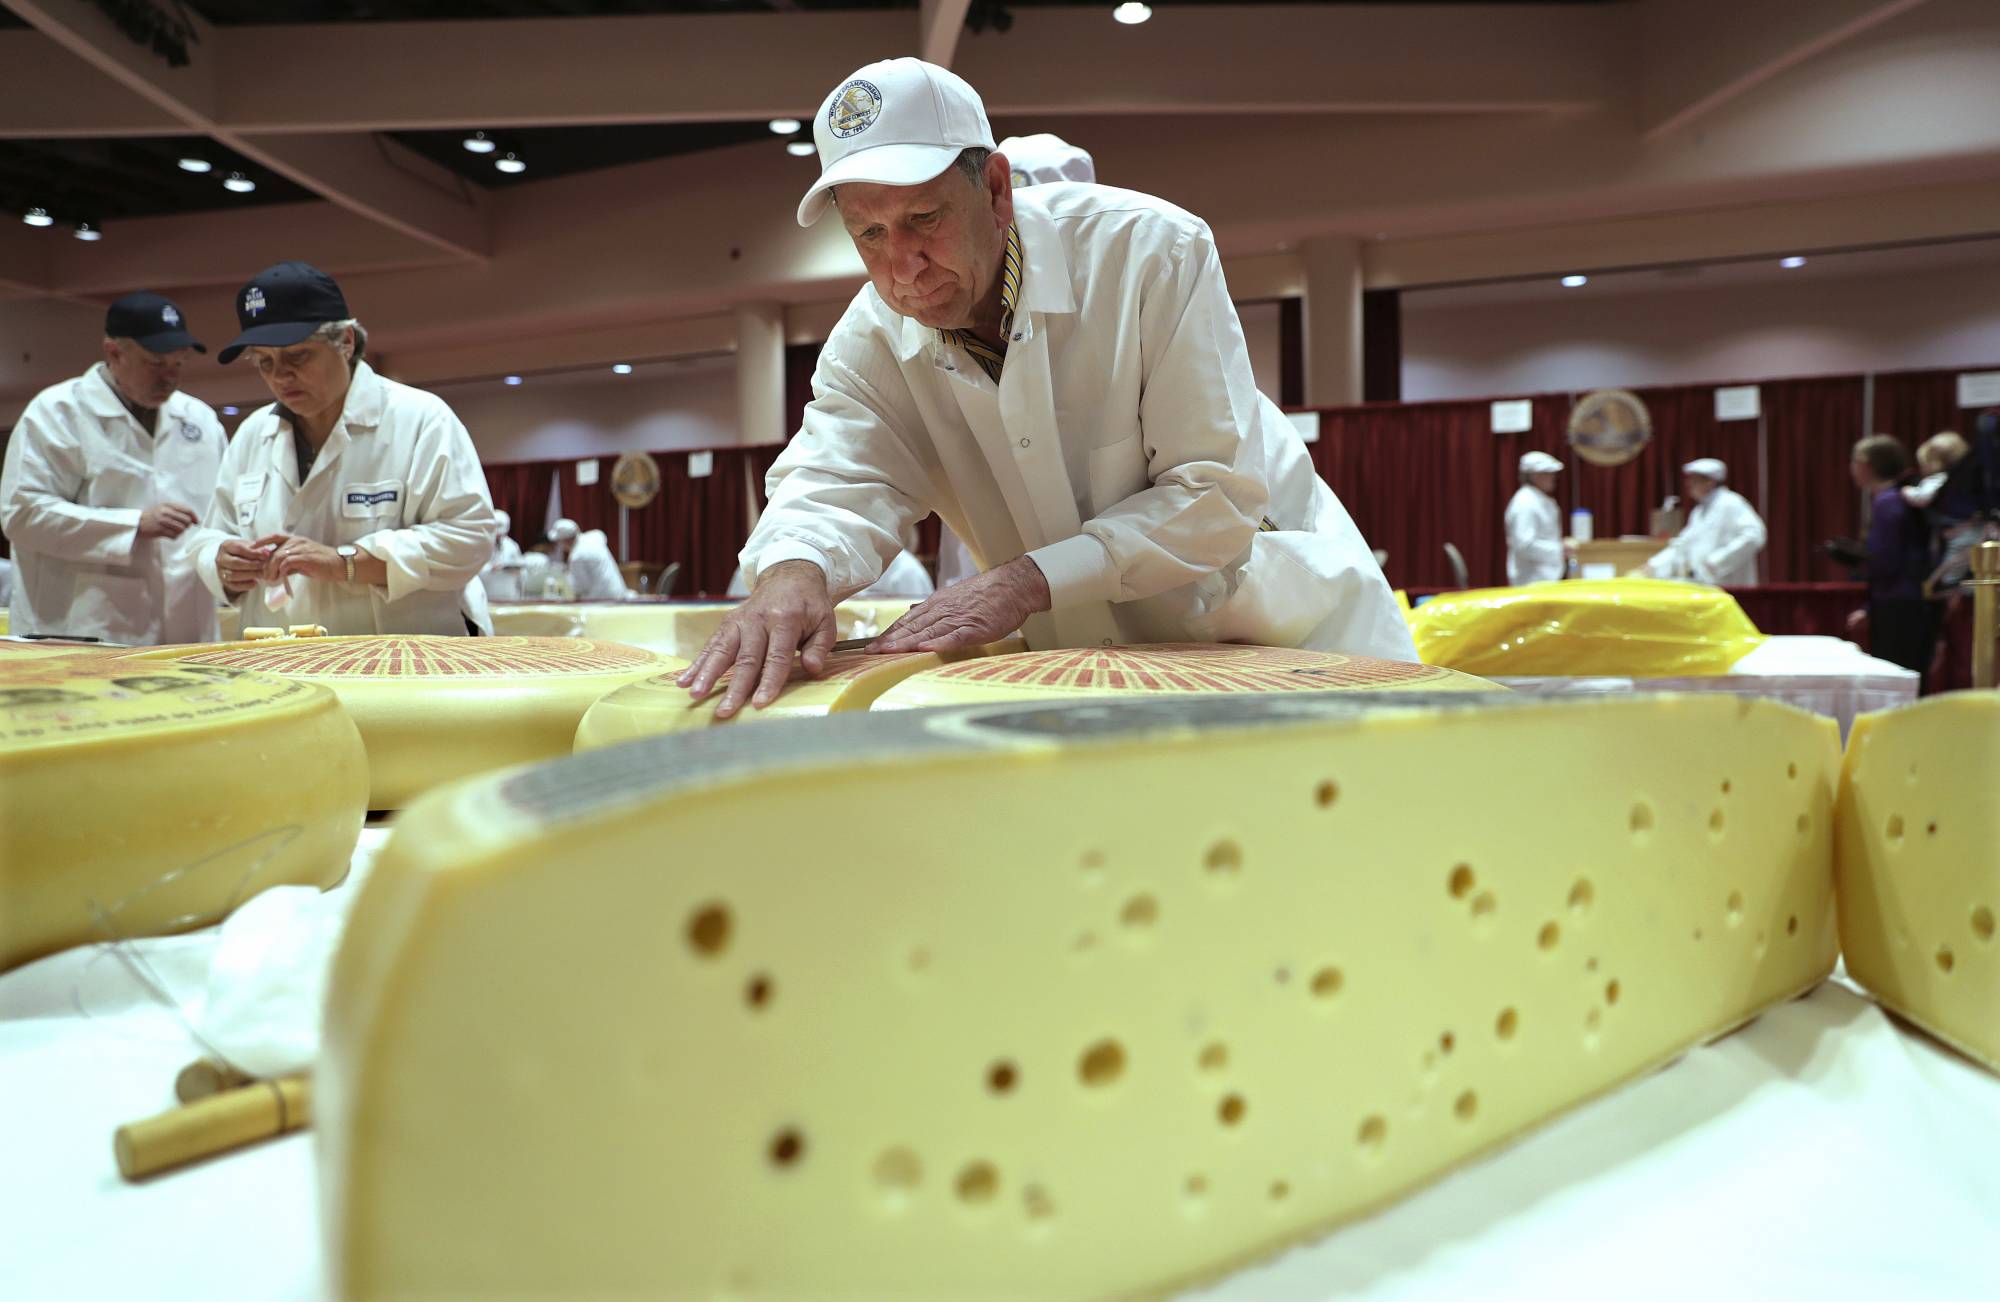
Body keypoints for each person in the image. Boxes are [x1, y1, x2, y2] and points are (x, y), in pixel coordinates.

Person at [684, 58, 1409, 717]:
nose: (902, 266)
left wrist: (1025, 582)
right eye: (868, 234)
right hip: (1089, 671)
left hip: (1287, 639)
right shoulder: (870, 338)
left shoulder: (1149, 254)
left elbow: (1215, 496)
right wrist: (792, 571)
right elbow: (834, 477)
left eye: (923, 220)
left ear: (995, 189)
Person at [180, 261, 497, 636]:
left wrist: (344, 562)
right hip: (281, 664)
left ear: (346, 341)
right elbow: (211, 536)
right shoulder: (252, 434)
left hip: (399, 662)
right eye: (265, 362)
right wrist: (223, 560)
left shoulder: (421, 418)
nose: (280, 376)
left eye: (297, 356)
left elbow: (469, 538)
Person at [1, 292, 225, 644]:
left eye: (178, 363)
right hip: (81, 625)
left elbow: (224, 512)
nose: (169, 377)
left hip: (188, 627)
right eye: (155, 363)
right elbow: (22, 514)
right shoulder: (57, 413)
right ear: (114, 352)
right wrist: (133, 524)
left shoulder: (200, 420)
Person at [1851, 434, 1937, 684]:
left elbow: (1885, 561)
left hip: (1897, 603)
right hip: (1910, 599)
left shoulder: (1888, 502)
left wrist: (1859, 563)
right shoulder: (1902, 496)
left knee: (1897, 677)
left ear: (1866, 465)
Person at [1640, 458, 1766, 586]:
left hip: (1729, 582)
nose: (1688, 484)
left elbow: (1753, 536)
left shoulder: (1731, 503)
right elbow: (1684, 544)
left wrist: (1717, 561)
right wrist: (1654, 565)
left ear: (1709, 482)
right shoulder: (1699, 511)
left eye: (1695, 480)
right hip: (1704, 583)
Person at [1504, 451, 1569, 586]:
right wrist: (1559, 550)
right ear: (1533, 476)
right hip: (1532, 581)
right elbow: (1524, 545)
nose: (1552, 477)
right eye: (1546, 473)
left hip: (1544, 579)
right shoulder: (1525, 503)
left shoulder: (1539, 500)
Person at [547, 518, 631, 601]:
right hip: (619, 594)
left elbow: (581, 588)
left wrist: (567, 575)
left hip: (603, 602)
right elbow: (601, 535)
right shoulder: (595, 537)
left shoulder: (577, 557)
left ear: (566, 540)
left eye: (560, 541)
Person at [479, 507, 526, 603]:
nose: (499, 537)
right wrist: (491, 569)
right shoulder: (481, 544)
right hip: (488, 595)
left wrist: (518, 571)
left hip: (509, 595)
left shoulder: (512, 545)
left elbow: (521, 570)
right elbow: (473, 572)